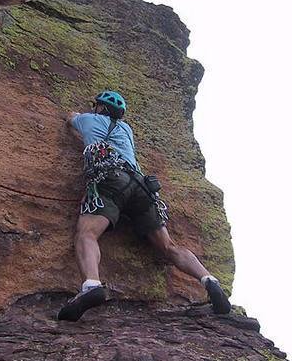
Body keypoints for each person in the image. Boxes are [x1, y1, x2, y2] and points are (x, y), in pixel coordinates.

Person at [57, 90, 231, 321]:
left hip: (109, 180)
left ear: (100, 107)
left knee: (87, 233)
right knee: (168, 246)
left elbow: (70, 118)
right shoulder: (126, 130)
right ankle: (209, 280)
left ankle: (91, 286)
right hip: (142, 187)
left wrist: (76, 115)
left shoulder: (88, 119)